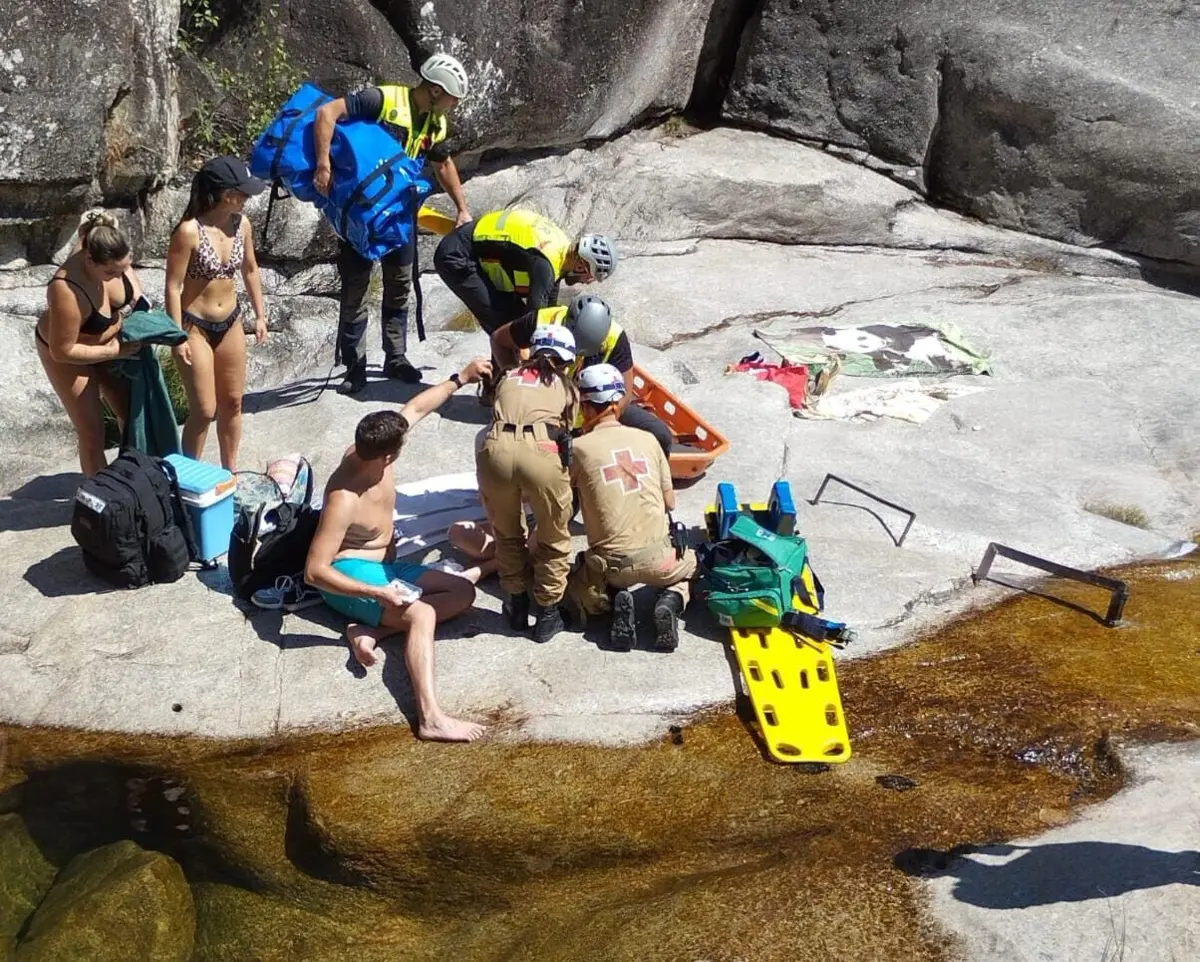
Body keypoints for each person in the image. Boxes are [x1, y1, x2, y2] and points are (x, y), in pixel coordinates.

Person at [304, 358, 492, 743]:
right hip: (351, 574)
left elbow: (417, 407)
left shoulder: (376, 451)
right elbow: (315, 571)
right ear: (389, 455)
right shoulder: (344, 498)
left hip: (386, 569)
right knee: (423, 613)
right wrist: (377, 592)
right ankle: (430, 717)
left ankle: (372, 629)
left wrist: (461, 378)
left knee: (462, 592)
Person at [313, 53, 472, 395]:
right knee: (356, 289)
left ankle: (395, 357)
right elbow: (327, 113)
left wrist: (462, 209)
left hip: (400, 215)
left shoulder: (435, 124)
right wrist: (323, 165)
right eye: (452, 98)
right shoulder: (383, 100)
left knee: (399, 285)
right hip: (361, 215)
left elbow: (443, 164)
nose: (454, 105)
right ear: (434, 90)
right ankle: (354, 366)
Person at [566, 364, 697, 652]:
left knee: (578, 587)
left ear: (584, 406)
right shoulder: (649, 439)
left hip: (612, 567)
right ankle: (671, 600)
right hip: (661, 561)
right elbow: (670, 502)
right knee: (693, 565)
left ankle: (612, 600)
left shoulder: (578, 448)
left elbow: (562, 503)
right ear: (619, 402)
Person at [475, 325, 579, 643]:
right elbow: (567, 435)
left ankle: (516, 606)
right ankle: (547, 613)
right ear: (565, 360)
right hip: (541, 451)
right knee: (553, 536)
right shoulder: (566, 386)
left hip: (495, 450)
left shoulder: (508, 376)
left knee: (507, 533)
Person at [166, 156, 268, 471]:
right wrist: (176, 337)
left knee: (233, 402)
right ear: (226, 194)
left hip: (231, 321)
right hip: (194, 326)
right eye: (243, 192)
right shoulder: (188, 231)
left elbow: (250, 269)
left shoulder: (242, 224)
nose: (247, 197)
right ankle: (187, 476)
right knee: (204, 409)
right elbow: (173, 287)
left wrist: (260, 315)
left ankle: (230, 472)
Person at [35, 211, 149, 476]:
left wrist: (139, 302)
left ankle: (132, 478)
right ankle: (99, 492)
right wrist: (112, 351)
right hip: (68, 353)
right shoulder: (65, 289)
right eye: (110, 272)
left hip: (111, 344)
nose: (117, 276)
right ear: (89, 260)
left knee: (132, 414)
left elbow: (128, 280)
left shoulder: (107, 248)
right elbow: (63, 351)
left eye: (123, 269)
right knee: (92, 432)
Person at [492, 293, 674, 457]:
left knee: (660, 435)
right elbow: (499, 340)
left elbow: (624, 395)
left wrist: (599, 425)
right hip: (547, 411)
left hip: (593, 411)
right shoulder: (543, 321)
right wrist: (517, 382)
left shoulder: (614, 337)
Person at [433, 207, 617, 334]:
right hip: (457, 257)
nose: (587, 282)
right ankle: (505, 376)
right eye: (590, 276)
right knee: (505, 323)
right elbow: (534, 320)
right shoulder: (547, 263)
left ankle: (504, 370)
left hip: (474, 247)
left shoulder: (560, 249)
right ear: (581, 265)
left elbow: (548, 308)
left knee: (515, 317)